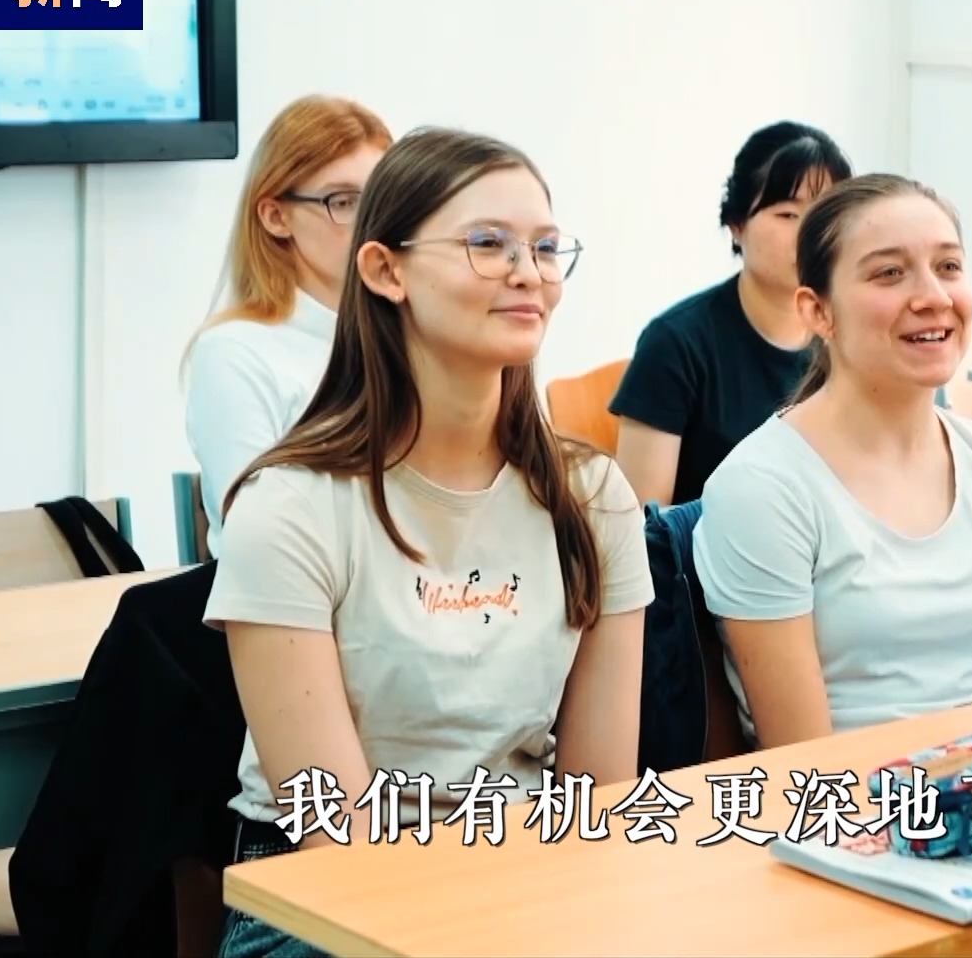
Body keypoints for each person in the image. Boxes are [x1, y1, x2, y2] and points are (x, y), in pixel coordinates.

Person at [203, 128, 652, 958]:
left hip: (527, 880)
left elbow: (597, 801)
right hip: (321, 904)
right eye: (489, 243)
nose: (528, 272)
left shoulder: (591, 498)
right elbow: (338, 838)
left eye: (545, 248)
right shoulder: (289, 508)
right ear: (385, 270)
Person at [692, 174, 972, 750]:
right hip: (849, 800)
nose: (934, 297)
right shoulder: (761, 489)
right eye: (890, 273)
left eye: (948, 266)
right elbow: (806, 764)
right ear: (817, 311)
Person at [183, 95, 392, 559]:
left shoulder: (411, 338)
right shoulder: (235, 352)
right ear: (276, 216)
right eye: (344, 202)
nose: (373, 224)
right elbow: (261, 538)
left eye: (383, 199)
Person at [609, 121, 853, 507]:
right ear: (737, 225)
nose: (811, 234)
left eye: (824, 215)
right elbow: (641, 522)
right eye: (788, 214)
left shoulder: (856, 334)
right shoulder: (675, 343)